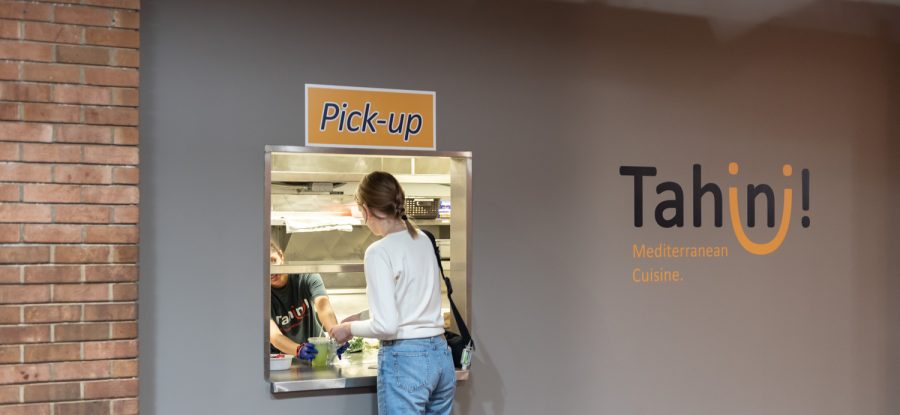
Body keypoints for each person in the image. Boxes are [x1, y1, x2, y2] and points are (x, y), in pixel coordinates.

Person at [330, 172, 456, 414]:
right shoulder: (424, 240)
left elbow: (386, 326)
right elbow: (409, 299)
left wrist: (348, 329)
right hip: (440, 356)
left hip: (407, 359)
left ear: (366, 208)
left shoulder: (379, 251)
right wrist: (360, 316)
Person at [269, 241, 346, 362]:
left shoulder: (305, 275)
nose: (271, 271)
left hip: (315, 353)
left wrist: (336, 335)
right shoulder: (260, 294)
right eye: (263, 265)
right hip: (281, 361)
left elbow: (324, 308)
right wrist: (298, 350)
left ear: (281, 255)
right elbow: (274, 336)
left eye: (273, 261)